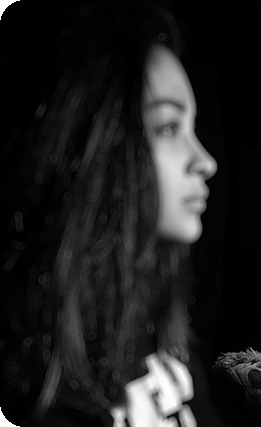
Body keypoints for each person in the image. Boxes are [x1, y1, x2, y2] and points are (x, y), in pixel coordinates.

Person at [0, 2, 221, 425]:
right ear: (94, 143)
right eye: (169, 128)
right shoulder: (32, 379)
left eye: (192, 127)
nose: (205, 161)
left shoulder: (160, 324)